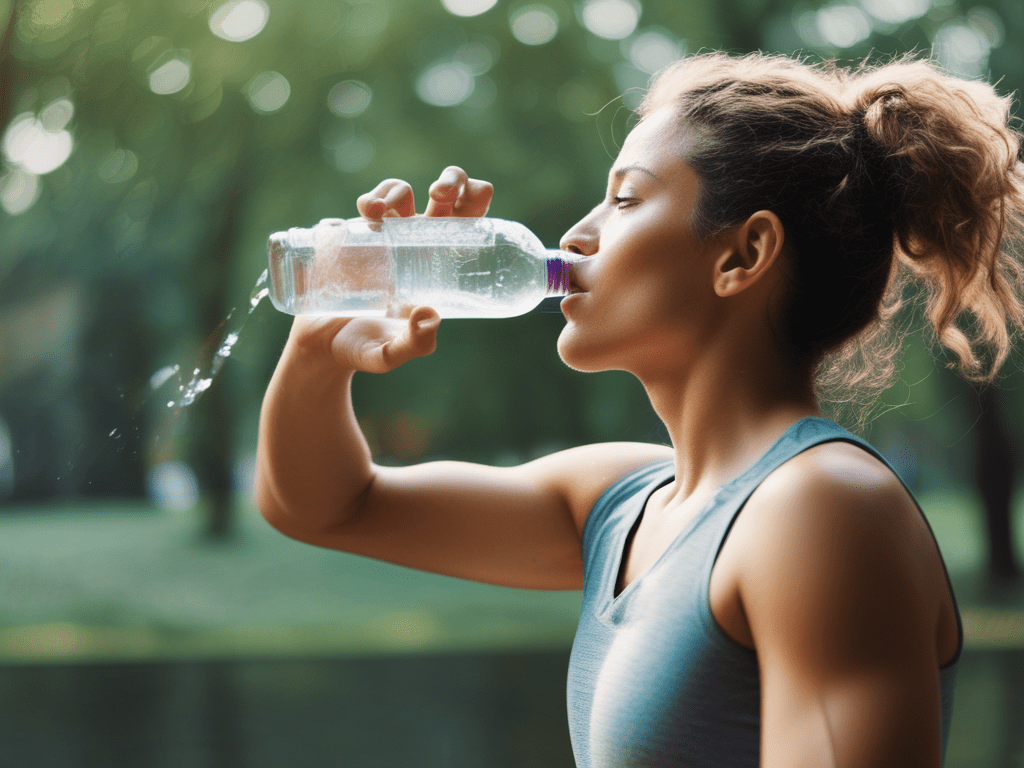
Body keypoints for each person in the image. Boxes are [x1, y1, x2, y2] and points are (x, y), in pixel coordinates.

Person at [255, 51, 1024, 767]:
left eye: (625, 199)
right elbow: (326, 506)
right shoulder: (618, 503)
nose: (576, 235)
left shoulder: (821, 510)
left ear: (741, 256)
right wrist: (323, 341)